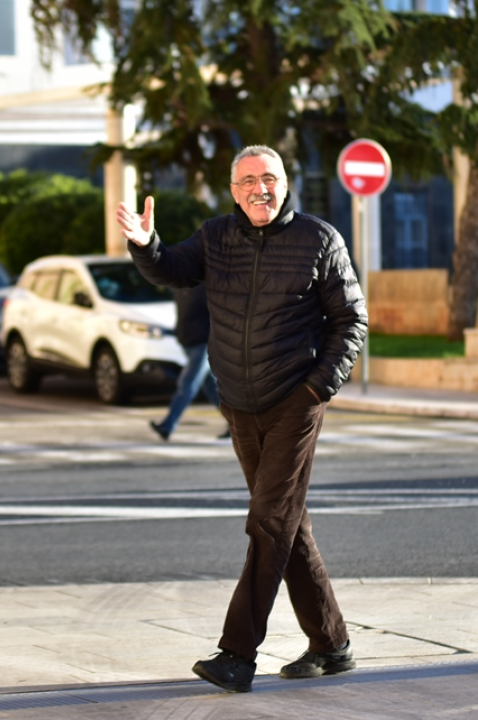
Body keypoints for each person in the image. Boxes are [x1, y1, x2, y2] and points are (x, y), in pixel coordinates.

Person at [117, 145, 367, 693]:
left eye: (270, 178)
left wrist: (316, 388)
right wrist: (145, 244)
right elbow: (171, 270)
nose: (261, 189)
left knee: (268, 521)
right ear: (234, 191)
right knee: (287, 524)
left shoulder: (319, 239)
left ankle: (237, 653)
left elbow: (351, 321)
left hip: (293, 402)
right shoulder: (216, 237)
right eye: (249, 180)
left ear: (286, 183)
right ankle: (331, 642)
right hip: (239, 403)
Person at [149, 283, 228, 441]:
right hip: (188, 343)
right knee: (211, 388)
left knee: (187, 384)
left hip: (203, 345)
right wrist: (173, 332)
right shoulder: (180, 288)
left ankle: (167, 426)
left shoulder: (203, 287)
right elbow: (184, 315)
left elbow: (217, 315)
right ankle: (237, 424)